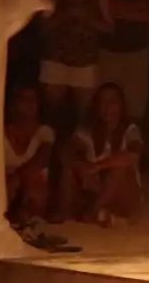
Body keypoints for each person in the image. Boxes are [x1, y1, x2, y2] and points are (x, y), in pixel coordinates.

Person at [40, 0, 113, 135]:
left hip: (85, 60)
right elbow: (43, 27)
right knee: (52, 115)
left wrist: (87, 19)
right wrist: (65, 15)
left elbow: (108, 27)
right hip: (56, 59)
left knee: (84, 117)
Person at [52, 82, 143, 226]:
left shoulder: (130, 130)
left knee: (120, 165)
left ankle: (95, 209)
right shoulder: (87, 129)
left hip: (122, 190)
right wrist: (81, 165)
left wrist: (98, 166)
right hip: (94, 187)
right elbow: (69, 148)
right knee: (68, 164)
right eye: (103, 102)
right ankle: (65, 210)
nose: (107, 107)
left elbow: (134, 153)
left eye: (113, 102)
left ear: (121, 105)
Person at [3, 85, 54, 226]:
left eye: (33, 100)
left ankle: (28, 217)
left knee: (34, 187)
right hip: (5, 181)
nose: (29, 104)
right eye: (23, 99)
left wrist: (17, 177)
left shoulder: (44, 131)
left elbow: (43, 159)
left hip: (31, 180)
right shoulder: (0, 130)